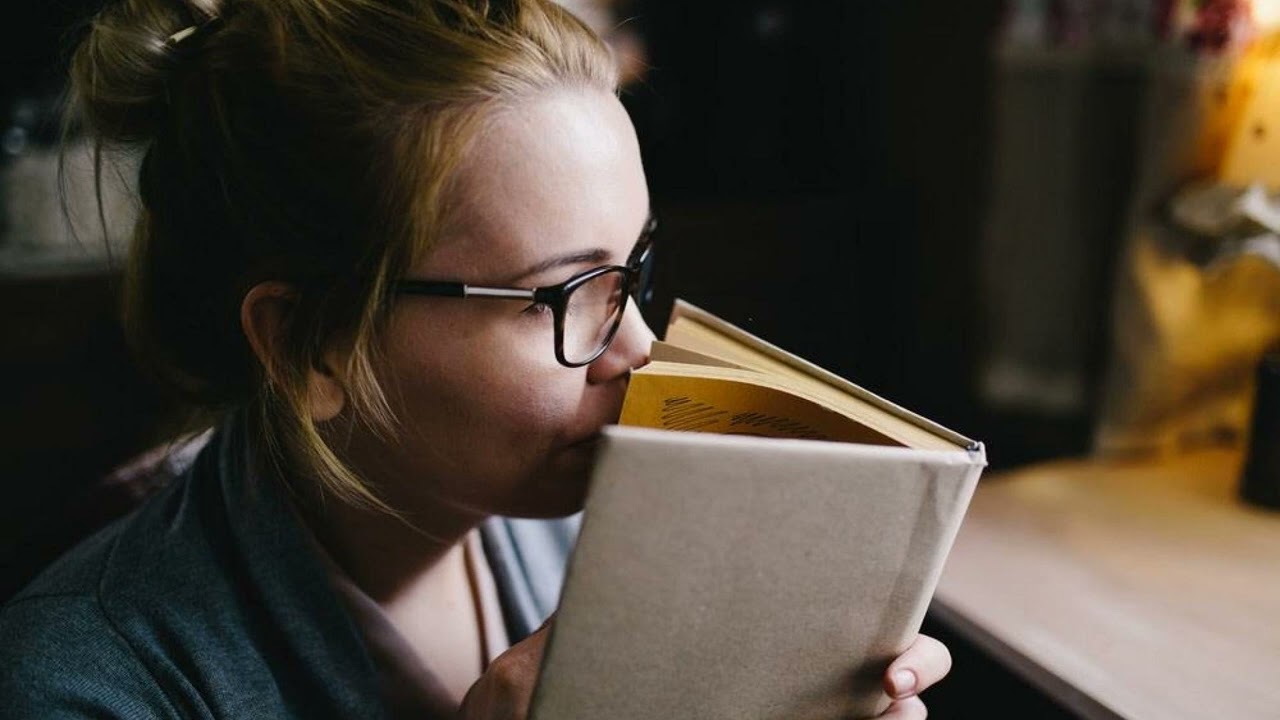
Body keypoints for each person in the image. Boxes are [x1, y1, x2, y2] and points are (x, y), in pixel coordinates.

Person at [0, 1, 951, 718]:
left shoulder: (617, 531)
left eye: (633, 275)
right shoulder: (85, 684)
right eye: (566, 295)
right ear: (309, 344)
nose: (641, 351)